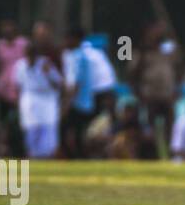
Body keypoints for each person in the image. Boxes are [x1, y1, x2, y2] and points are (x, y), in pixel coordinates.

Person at [61, 28, 117, 158]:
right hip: (98, 97)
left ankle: (78, 157)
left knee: (76, 129)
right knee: (81, 131)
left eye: (67, 39)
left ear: (75, 39)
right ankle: (80, 156)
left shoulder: (81, 55)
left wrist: (66, 106)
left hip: (97, 97)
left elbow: (76, 84)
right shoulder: (93, 53)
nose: (65, 42)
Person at [14, 22, 63, 158]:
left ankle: (49, 157)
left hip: (47, 101)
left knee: (48, 134)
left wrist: (48, 73)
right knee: (32, 132)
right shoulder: (20, 66)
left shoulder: (45, 63)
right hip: (29, 102)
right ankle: (32, 156)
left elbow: (58, 83)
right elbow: (18, 87)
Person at [133, 20, 181, 156]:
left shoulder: (169, 49)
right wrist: (138, 94)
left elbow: (178, 69)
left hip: (167, 95)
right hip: (150, 95)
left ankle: (171, 154)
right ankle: (153, 154)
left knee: (170, 128)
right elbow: (133, 74)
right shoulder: (142, 51)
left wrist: (178, 89)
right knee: (151, 128)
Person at [0, 19, 28, 157]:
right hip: (3, 92)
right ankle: (3, 152)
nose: (7, 29)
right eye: (4, 27)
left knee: (20, 125)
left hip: (20, 92)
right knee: (3, 125)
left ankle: (21, 152)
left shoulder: (24, 44)